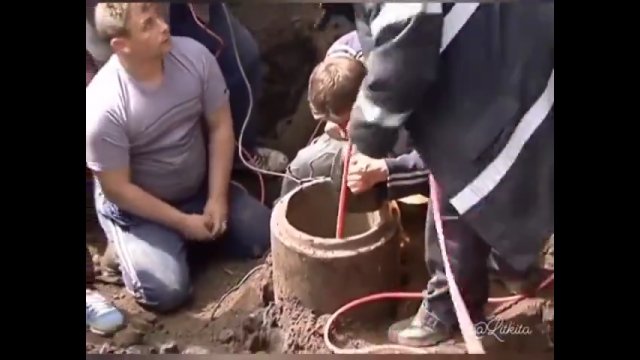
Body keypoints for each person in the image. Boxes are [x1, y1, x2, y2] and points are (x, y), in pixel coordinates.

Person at [344, 2, 554, 347]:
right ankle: (503, 274)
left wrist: (369, 128)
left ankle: (454, 306)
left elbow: (404, 44)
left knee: (467, 184)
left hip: (502, 70)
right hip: (512, 42)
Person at [86, 2, 271, 312]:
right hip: (138, 212)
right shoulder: (103, 108)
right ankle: (130, 249)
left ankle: (180, 247)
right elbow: (119, 189)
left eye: (158, 16)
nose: (163, 26)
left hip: (196, 191)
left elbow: (220, 127)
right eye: (147, 25)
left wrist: (216, 198)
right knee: (167, 291)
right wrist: (183, 224)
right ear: (121, 45)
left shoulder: (194, 56)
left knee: (267, 233)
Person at [86, 1, 288, 173]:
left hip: (166, 9)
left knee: (243, 58)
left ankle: (238, 152)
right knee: (159, 114)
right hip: (118, 24)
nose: (163, 27)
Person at [280, 30, 427, 200]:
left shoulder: (415, 86)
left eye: (345, 121)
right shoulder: (340, 55)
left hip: (431, 147)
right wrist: (338, 124)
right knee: (302, 165)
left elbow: (449, 162)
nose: (343, 131)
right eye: (329, 120)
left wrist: (387, 169)